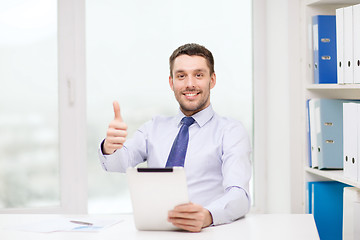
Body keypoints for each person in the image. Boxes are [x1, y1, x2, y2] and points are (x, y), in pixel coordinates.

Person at [98, 43, 251, 232]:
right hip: (156, 232)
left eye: (198, 75)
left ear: (212, 80)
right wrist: (111, 146)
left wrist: (207, 215)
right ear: (171, 83)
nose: (189, 84)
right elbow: (117, 164)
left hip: (206, 233)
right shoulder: (154, 128)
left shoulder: (230, 131)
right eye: (181, 76)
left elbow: (240, 195)